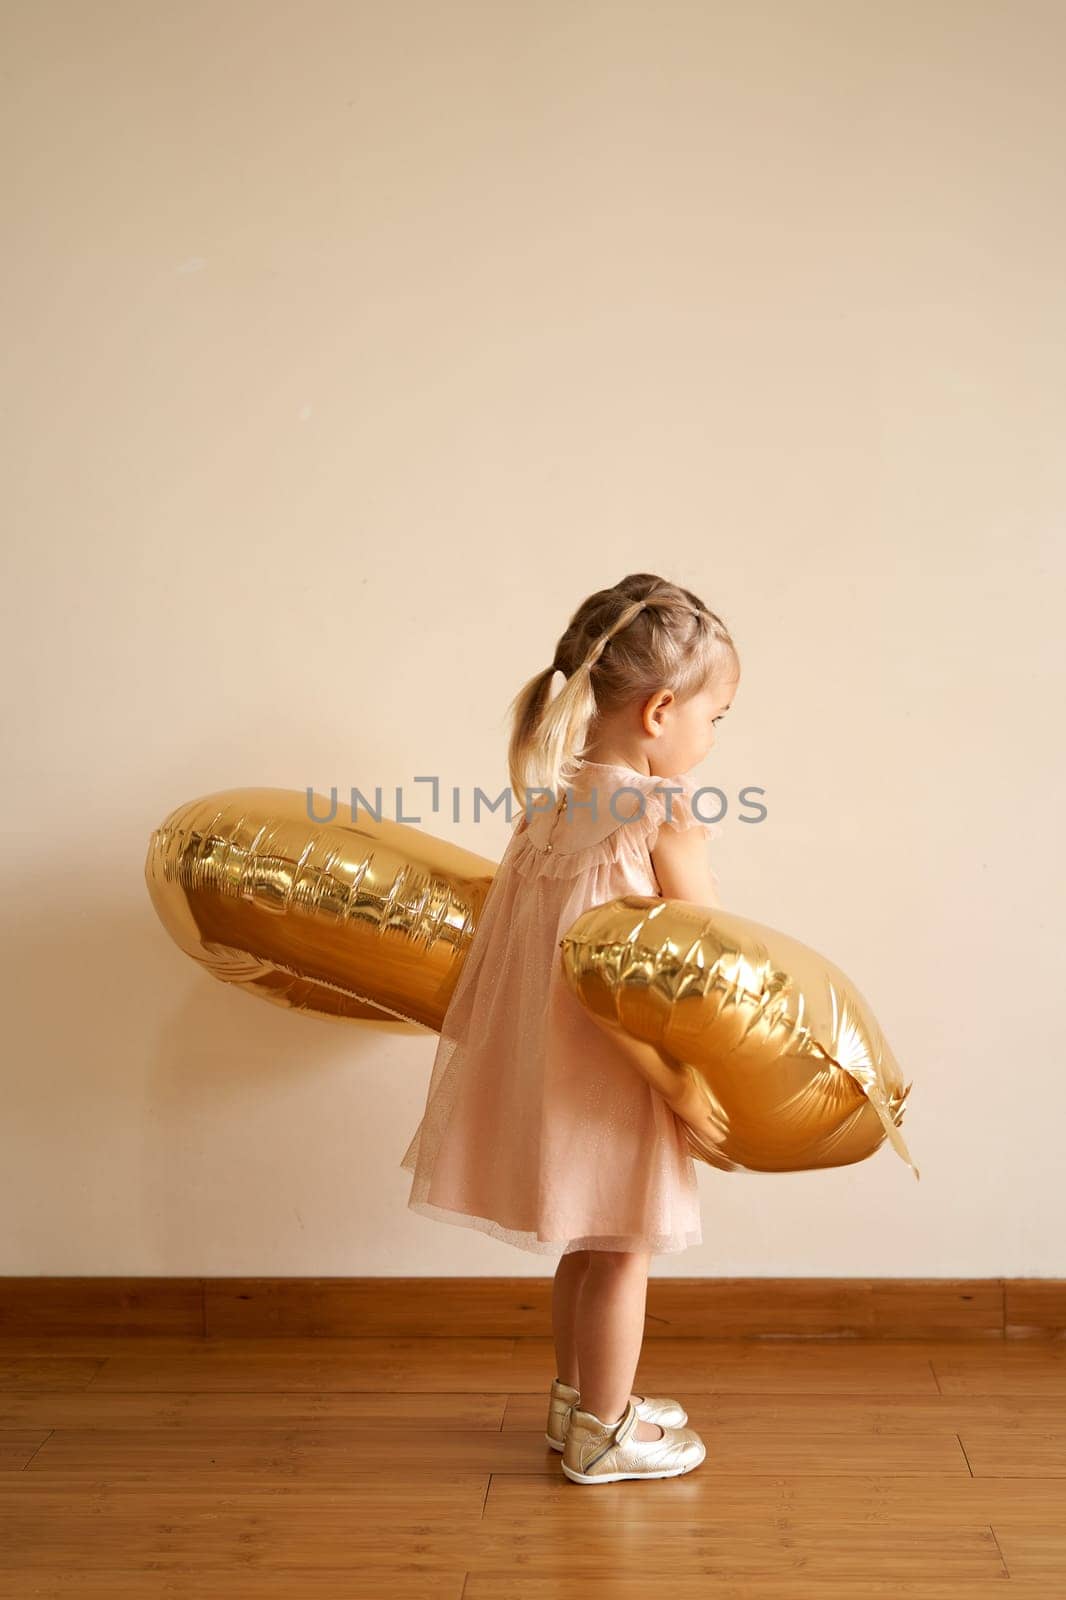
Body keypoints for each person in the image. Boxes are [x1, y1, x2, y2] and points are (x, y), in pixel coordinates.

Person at [400, 572, 740, 1484]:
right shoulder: (661, 813)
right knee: (625, 1249)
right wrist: (686, 1083)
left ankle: (576, 1398)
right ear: (662, 710)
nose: (715, 738)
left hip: (555, 1070)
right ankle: (606, 1429)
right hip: (621, 1072)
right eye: (718, 717)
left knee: (587, 1245)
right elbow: (704, 964)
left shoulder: (549, 809)